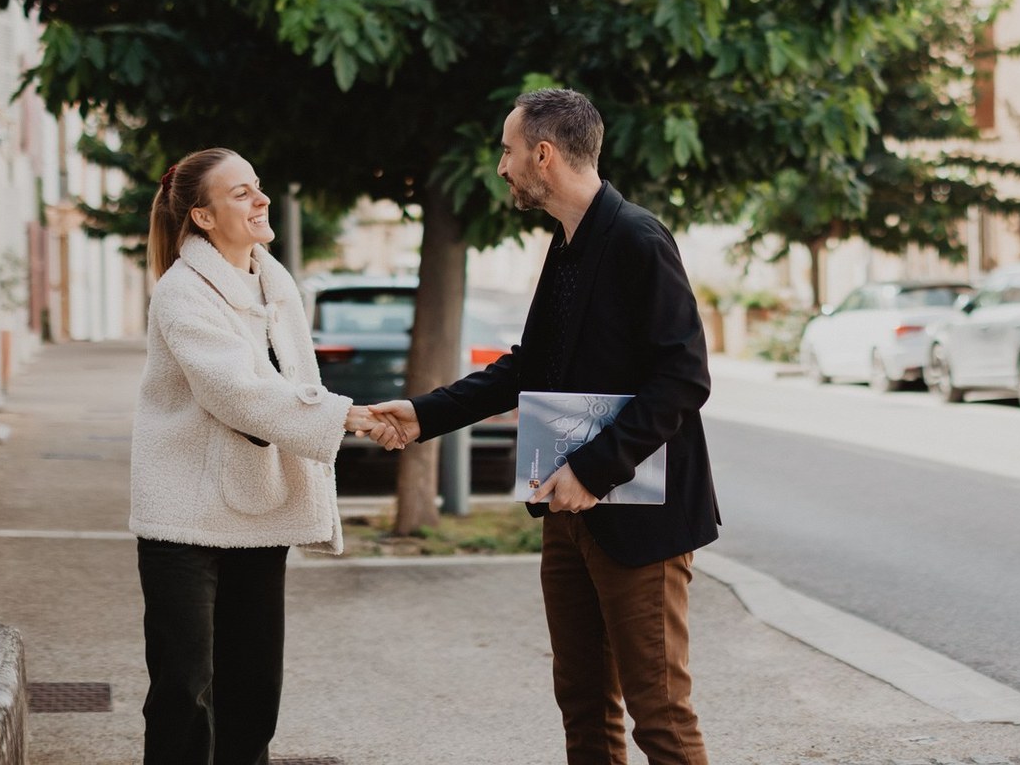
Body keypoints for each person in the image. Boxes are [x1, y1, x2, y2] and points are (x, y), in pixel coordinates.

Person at [372, 89, 720, 765]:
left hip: (636, 515)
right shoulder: (568, 245)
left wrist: (592, 471)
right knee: (583, 707)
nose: (501, 167)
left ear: (543, 154)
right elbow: (529, 367)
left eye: (507, 151)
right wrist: (422, 415)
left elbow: (683, 377)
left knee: (660, 716)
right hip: (567, 512)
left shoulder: (636, 239)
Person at [129, 147, 392, 765]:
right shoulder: (182, 293)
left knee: (253, 691)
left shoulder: (276, 285)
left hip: (255, 512)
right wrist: (347, 417)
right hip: (183, 519)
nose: (261, 199)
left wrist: (334, 412)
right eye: (241, 193)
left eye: (258, 187)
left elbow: (291, 379)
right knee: (183, 690)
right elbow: (238, 394)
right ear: (202, 216)